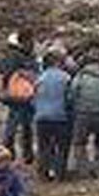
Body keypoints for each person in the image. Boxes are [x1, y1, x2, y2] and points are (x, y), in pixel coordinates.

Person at [0, 33, 38, 165]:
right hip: (21, 95)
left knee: (18, 125)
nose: (32, 45)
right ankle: (21, 154)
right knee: (19, 126)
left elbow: (3, 71)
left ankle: (16, 153)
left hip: (17, 95)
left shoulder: (14, 55)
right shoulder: (18, 56)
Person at [32, 48, 73, 181]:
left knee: (44, 147)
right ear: (58, 62)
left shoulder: (40, 78)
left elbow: (33, 99)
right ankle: (59, 174)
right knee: (62, 147)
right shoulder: (66, 78)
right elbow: (70, 98)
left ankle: (43, 173)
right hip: (60, 117)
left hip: (41, 117)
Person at [67, 52, 99, 178]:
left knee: (79, 143)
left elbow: (72, 94)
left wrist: (75, 107)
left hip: (83, 112)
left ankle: (83, 171)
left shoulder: (81, 76)